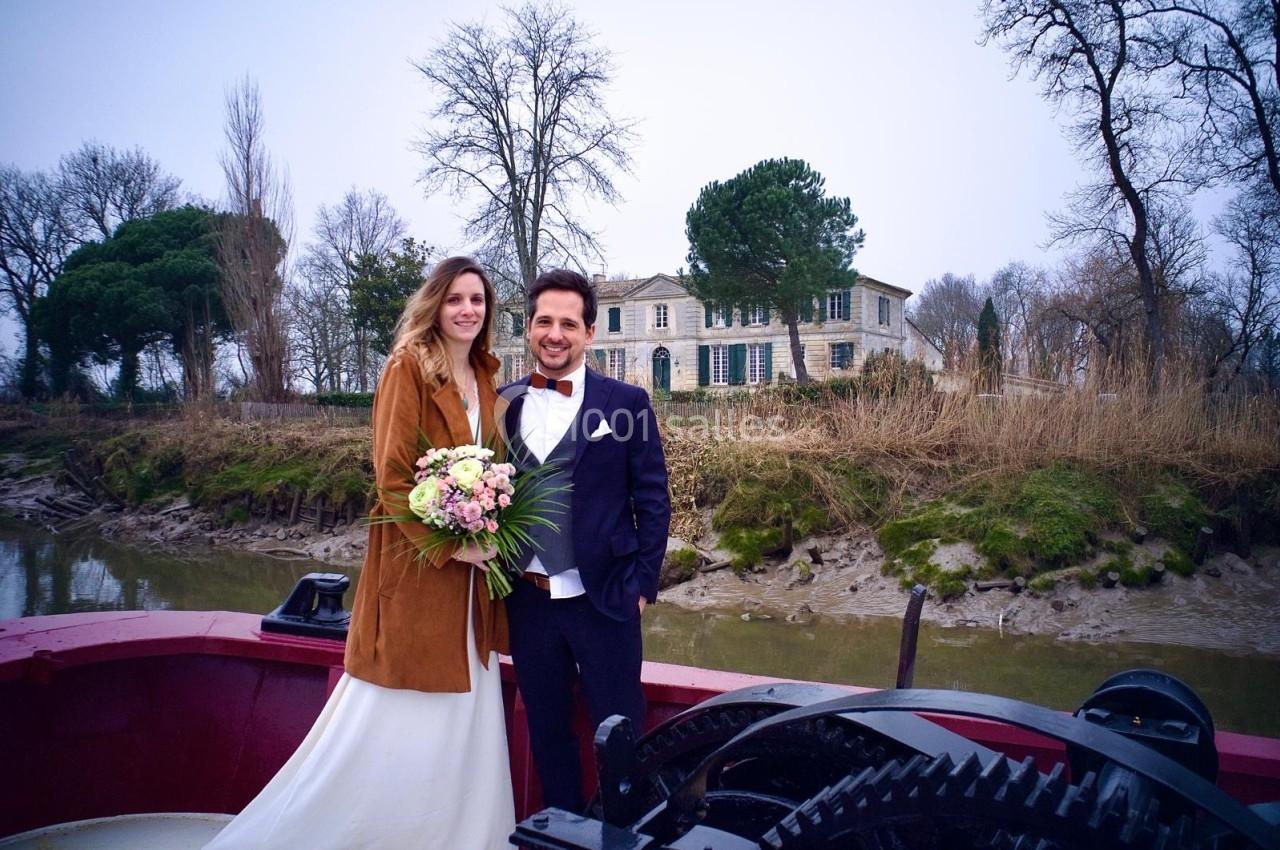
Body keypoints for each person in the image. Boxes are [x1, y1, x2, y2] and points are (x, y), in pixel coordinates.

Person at [205, 256, 515, 849]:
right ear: (434, 305)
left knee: (466, 706)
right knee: (404, 707)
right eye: (455, 299)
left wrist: (491, 519)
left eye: (477, 300)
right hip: (420, 569)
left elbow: (493, 467)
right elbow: (392, 477)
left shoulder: (486, 374)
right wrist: (454, 546)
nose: (467, 310)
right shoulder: (407, 366)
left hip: (475, 582)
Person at [499, 269, 671, 814]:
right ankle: (562, 833)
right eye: (544, 322)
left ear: (589, 332)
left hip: (606, 599)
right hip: (528, 601)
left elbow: (653, 499)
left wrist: (642, 585)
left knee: (621, 736)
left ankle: (621, 835)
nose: (556, 335)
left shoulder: (627, 402)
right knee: (548, 733)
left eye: (569, 324)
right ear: (529, 328)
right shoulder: (501, 404)